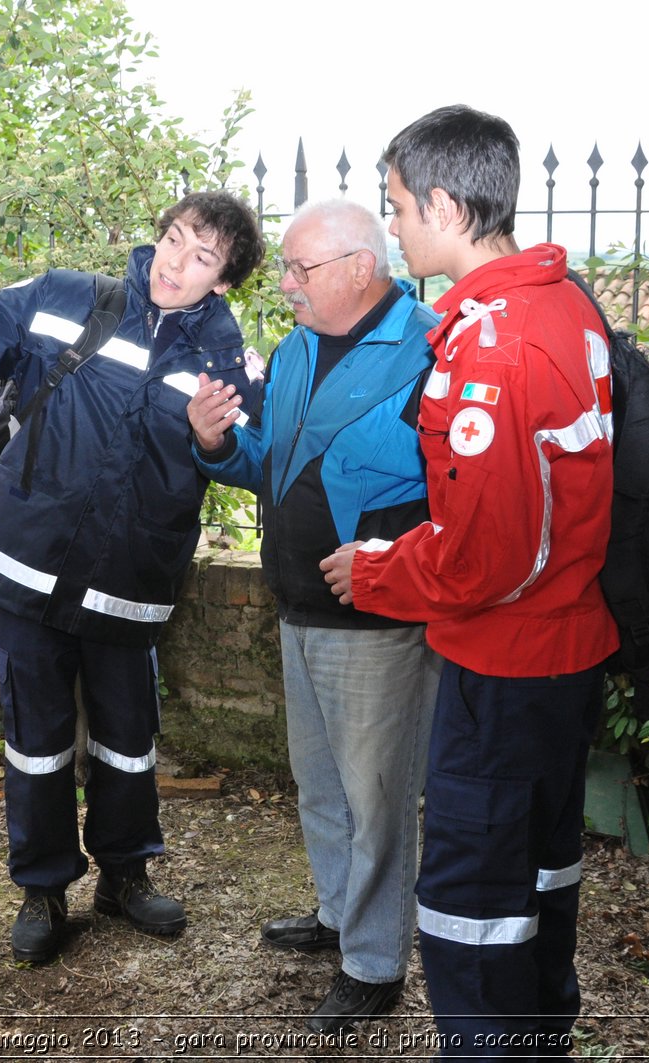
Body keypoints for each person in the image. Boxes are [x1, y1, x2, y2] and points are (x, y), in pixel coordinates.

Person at [321, 106, 618, 1059]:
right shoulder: (564, 305)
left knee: (474, 904)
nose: (395, 225)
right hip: (564, 654)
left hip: (506, 666)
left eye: (399, 206)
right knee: (538, 874)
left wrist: (374, 569)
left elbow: (486, 556)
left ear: (446, 205)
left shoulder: (492, 346)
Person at [0, 191, 264, 965]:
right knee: (35, 739)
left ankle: (125, 875)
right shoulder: (70, 298)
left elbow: (255, 452)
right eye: (173, 239)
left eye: (202, 256)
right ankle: (43, 886)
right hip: (26, 565)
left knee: (129, 740)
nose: (176, 262)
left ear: (225, 281)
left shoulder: (227, 362)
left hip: (130, 581)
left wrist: (213, 441)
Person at [185, 199, 440, 1033]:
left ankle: (374, 963)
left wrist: (390, 554)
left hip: (380, 621)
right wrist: (219, 443)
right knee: (321, 786)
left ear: (359, 270)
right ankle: (338, 917)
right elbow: (272, 467)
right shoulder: (295, 352)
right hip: (298, 605)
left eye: (300, 269)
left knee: (376, 799)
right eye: (287, 268)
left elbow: (461, 495)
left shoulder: (431, 348)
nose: (284, 283)